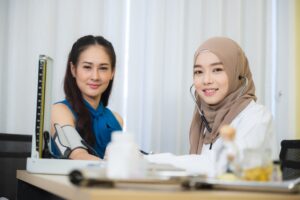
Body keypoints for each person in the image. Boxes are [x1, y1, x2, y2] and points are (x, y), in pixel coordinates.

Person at [189, 37, 276, 173]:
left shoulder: (257, 117)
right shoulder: (203, 123)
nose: (206, 80)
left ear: (238, 75)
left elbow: (225, 165)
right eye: (199, 72)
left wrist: (154, 160)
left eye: (217, 69)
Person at [50, 35, 123, 160]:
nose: (95, 76)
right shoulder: (59, 111)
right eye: (87, 67)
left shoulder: (116, 119)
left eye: (103, 68)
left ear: (112, 72)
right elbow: (79, 156)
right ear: (73, 69)